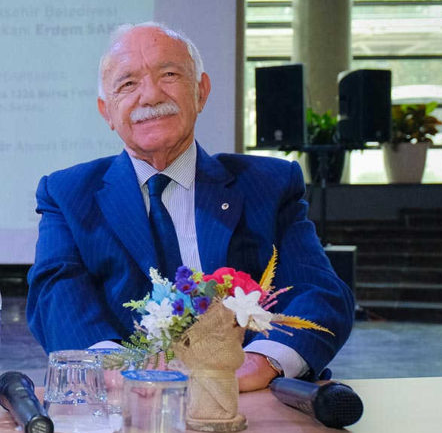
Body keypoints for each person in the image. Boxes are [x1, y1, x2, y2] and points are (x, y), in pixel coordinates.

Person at [26, 22, 354, 392]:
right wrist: (114, 370)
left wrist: (259, 363)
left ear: (201, 91)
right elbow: (56, 294)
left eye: (169, 74)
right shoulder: (68, 194)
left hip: (247, 400)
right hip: (124, 404)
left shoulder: (270, 184)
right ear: (107, 111)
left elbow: (319, 291)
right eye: (128, 84)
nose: (151, 95)